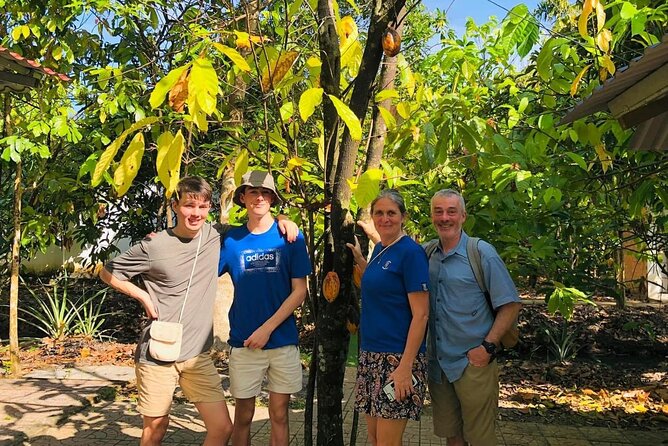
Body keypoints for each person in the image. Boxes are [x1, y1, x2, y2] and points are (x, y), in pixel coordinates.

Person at [99, 176, 298, 446]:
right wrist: (143, 296)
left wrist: (285, 219)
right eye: (189, 206)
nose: (195, 214)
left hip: (196, 355)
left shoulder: (215, 236)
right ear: (174, 206)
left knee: (222, 427)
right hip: (159, 350)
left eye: (203, 207)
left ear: (209, 209)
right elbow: (108, 272)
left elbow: (258, 221)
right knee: (156, 427)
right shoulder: (154, 245)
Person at [218, 170, 311, 446]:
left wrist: (267, 329)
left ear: (272, 198)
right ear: (243, 198)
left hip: (282, 341)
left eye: (265, 193)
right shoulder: (231, 240)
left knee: (279, 414)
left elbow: (300, 291)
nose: (259, 197)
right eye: (253, 192)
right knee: (243, 416)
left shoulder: (291, 238)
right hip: (244, 341)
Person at [426, 189, 521, 446]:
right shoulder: (428, 254)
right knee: (452, 436)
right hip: (439, 364)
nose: (445, 217)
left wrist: (488, 347)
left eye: (451, 211)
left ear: (463, 216)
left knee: (480, 439)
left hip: (473, 363)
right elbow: (395, 261)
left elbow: (510, 304)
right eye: (439, 211)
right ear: (432, 216)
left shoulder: (480, 252)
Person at [347, 189, 429, 446]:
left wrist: (405, 367)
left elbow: (421, 314)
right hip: (371, 356)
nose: (385, 218)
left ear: (403, 216)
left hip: (398, 360)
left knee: (388, 442)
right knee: (374, 437)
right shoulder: (381, 248)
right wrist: (360, 260)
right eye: (379, 213)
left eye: (391, 213)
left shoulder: (411, 253)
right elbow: (380, 284)